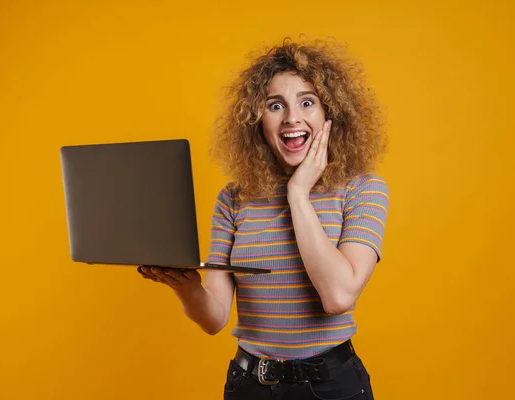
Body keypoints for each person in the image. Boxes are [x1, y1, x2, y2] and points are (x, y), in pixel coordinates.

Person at [138, 38, 389, 400]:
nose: (292, 118)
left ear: (330, 114)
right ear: (258, 120)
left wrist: (298, 193)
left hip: (333, 386)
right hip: (250, 386)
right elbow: (214, 319)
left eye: (307, 102)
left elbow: (337, 296)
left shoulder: (363, 190)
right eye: (276, 105)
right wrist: (185, 286)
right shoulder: (234, 199)